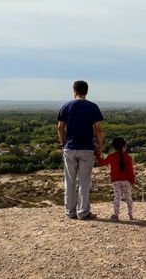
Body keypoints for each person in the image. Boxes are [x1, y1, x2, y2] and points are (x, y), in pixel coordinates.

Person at [57, 80, 104, 220]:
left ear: (74, 91)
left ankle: (70, 212)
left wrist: (63, 143)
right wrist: (100, 147)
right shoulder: (93, 107)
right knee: (84, 181)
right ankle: (83, 212)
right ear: (86, 92)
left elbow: (60, 127)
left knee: (70, 181)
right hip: (86, 149)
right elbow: (99, 129)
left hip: (70, 148)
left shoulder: (66, 106)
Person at [96, 137, 136, 221]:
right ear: (124, 147)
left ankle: (116, 215)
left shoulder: (111, 156)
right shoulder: (128, 157)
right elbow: (131, 170)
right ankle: (130, 215)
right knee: (128, 197)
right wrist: (132, 180)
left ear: (114, 147)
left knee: (117, 198)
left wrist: (98, 155)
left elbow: (102, 163)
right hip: (126, 181)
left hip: (116, 181)